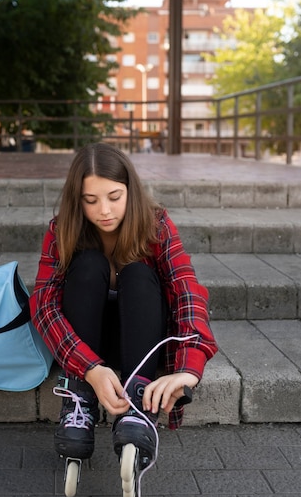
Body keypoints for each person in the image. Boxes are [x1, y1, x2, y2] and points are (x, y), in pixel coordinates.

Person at [30, 142, 217, 469]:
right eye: (91, 200)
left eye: (114, 197)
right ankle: (79, 399)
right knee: (87, 264)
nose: (104, 210)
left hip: (141, 345)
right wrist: (88, 368)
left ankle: (138, 407)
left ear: (130, 190)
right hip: (85, 348)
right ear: (78, 201)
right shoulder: (63, 230)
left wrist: (188, 369)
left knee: (139, 274)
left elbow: (187, 292)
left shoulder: (155, 223)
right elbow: (44, 304)